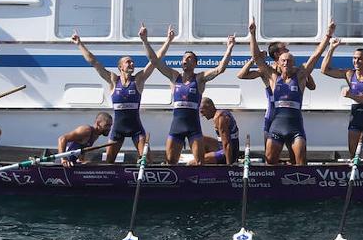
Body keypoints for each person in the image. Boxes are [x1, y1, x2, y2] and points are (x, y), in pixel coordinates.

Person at [70, 27, 173, 163]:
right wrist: (79, 44)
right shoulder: (113, 80)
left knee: (147, 161)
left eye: (133, 62)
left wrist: (156, 41)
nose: (132, 64)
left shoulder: (138, 79)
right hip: (117, 130)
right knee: (109, 162)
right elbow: (94, 62)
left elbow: (155, 60)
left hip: (136, 129)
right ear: (120, 67)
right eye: (128, 62)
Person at [142, 27, 236, 166]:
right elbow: (154, 60)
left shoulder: (199, 78)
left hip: (194, 129)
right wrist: (146, 40)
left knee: (199, 164)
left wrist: (229, 48)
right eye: (184, 58)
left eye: (189, 58)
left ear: (195, 63)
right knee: (170, 162)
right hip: (176, 128)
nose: (185, 60)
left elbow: (219, 69)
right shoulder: (174, 76)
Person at [246, 23, 333, 166]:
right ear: (278, 63)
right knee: (270, 163)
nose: (286, 63)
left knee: (300, 163)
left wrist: (328, 35)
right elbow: (257, 58)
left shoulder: (299, 76)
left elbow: (316, 55)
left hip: (295, 127)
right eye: (283, 61)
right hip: (276, 127)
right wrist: (253, 34)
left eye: (289, 61)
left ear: (294, 63)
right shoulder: (273, 77)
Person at [237, 18, 316, 157]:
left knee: (295, 153)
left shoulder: (294, 70)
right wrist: (253, 55)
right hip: (273, 113)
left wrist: (302, 72)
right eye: (284, 49)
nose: (288, 50)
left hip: (290, 114)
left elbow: (312, 86)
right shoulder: (269, 71)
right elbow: (242, 75)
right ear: (277, 55)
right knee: (271, 155)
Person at [320, 38, 363, 163]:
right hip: (356, 119)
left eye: (359, 58)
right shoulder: (349, 74)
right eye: (354, 58)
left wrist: (351, 95)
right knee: (353, 156)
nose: (356, 61)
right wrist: (332, 48)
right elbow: (324, 70)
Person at [199, 98, 241, 165]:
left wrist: (229, 166)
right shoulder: (221, 113)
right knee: (200, 139)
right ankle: (206, 160)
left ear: (210, 107)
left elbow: (227, 143)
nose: (202, 115)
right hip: (223, 147)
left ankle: (202, 161)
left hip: (229, 153)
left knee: (193, 162)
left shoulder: (220, 118)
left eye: (202, 111)